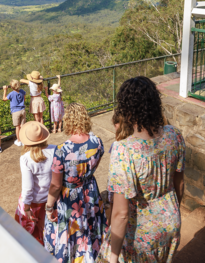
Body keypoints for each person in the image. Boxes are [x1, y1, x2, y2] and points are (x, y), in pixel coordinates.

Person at [98, 76, 186, 263]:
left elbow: (121, 214)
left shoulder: (124, 150)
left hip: (139, 236)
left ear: (126, 110)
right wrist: (170, 212)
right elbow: (180, 184)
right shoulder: (174, 135)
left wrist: (113, 257)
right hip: (170, 221)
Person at [44, 103, 107, 263]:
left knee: (71, 234)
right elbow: (93, 169)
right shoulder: (97, 142)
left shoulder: (62, 150)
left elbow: (56, 185)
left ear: (68, 121)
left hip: (70, 200)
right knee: (90, 229)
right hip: (91, 192)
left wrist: (49, 207)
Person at [15, 121, 56, 245]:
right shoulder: (55, 149)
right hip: (51, 199)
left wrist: (26, 206)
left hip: (35, 202)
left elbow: (28, 187)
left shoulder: (26, 158)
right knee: (48, 228)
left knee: (33, 233)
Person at [3, 80, 27, 147]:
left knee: (17, 127)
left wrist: (5, 90)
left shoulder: (11, 93)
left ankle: (19, 141)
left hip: (15, 111)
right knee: (22, 126)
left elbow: (4, 99)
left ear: (11, 87)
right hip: (22, 110)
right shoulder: (22, 91)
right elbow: (24, 100)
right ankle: (24, 140)